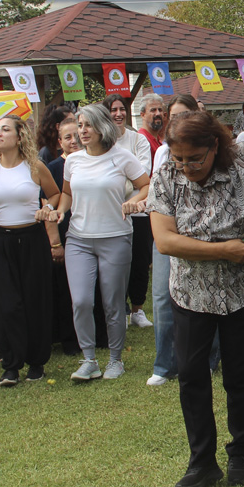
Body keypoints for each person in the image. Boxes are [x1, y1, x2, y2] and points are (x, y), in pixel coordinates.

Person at [148, 53, 244, 487]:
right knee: (193, 376)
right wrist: (223, 250)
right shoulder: (167, 177)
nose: (187, 169)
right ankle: (202, 462)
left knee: (239, 375)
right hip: (191, 294)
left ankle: (241, 455)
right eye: (179, 160)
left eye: (194, 159)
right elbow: (165, 241)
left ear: (214, 146)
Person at [57, 104, 149, 382]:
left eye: (87, 125)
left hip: (116, 237)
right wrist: (60, 211)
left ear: (102, 127)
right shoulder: (73, 161)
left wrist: (132, 202)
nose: (82, 131)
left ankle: (115, 359)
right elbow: (66, 194)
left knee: (112, 303)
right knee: (82, 301)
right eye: (79, 125)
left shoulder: (122, 158)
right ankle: (89, 360)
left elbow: (146, 185)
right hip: (79, 239)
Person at [0, 115, 62, 387]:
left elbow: (56, 195)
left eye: (5, 129)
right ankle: (11, 365)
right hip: (0, 241)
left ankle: (36, 362)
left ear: (19, 136)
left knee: (34, 300)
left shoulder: (35, 167)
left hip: (32, 239)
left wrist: (48, 207)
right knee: (6, 303)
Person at [146, 93, 201, 386]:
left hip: (198, 234)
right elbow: (156, 192)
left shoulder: (209, 151)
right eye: (174, 116)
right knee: (162, 297)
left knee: (202, 296)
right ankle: (164, 364)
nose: (177, 121)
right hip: (165, 232)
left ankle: (207, 359)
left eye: (184, 115)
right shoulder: (162, 154)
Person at [110, 94, 154, 329]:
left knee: (139, 261)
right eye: (113, 109)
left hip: (137, 212)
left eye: (121, 109)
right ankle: (120, 308)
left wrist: (122, 181)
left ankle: (137, 309)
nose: (118, 113)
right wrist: (128, 179)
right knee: (116, 263)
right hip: (110, 212)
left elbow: (143, 174)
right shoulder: (103, 143)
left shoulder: (138, 140)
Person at [45, 117, 85, 355]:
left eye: (77, 136)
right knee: (64, 289)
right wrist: (55, 242)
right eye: (68, 137)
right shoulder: (52, 168)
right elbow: (48, 204)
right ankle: (67, 338)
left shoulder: (91, 162)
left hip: (87, 230)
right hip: (63, 231)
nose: (74, 141)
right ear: (60, 142)